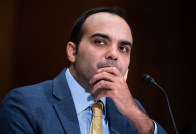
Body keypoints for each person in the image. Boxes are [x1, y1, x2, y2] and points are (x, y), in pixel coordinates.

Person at [0, 7, 167, 134]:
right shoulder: (25, 104)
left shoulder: (133, 110)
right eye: (100, 41)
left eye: (123, 48)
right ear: (72, 52)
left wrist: (135, 114)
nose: (114, 54)